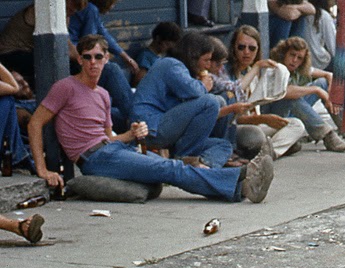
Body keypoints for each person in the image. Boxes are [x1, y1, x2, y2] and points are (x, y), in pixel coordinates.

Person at [30, 35, 274, 204]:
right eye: (87, 57)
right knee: (171, 168)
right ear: (79, 60)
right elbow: (35, 122)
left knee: (170, 166)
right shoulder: (66, 87)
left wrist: (132, 133)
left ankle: (237, 179)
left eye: (98, 56)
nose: (92, 63)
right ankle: (240, 185)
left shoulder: (103, 94)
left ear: (106, 58)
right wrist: (43, 169)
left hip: (113, 147)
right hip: (94, 157)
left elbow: (110, 136)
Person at [132, 31, 233, 168]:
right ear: (193, 56)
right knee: (211, 102)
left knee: (224, 145)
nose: (208, 66)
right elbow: (194, 91)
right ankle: (185, 158)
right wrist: (203, 85)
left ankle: (205, 164)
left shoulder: (181, 69)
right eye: (206, 60)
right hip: (151, 127)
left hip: (167, 126)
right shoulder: (171, 64)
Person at [226, 26, 306, 159]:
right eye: (241, 47)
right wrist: (264, 119)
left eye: (251, 48)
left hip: (257, 122)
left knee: (296, 124)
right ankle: (272, 148)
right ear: (234, 47)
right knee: (255, 135)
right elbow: (235, 117)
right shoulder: (228, 73)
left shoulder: (252, 71)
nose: (246, 52)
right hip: (238, 128)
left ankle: (268, 153)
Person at [265, 36, 345, 152]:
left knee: (322, 83)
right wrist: (317, 91)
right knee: (293, 96)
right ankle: (327, 135)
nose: (295, 60)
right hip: (274, 115)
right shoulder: (275, 68)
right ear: (283, 53)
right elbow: (284, 92)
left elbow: (328, 75)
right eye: (292, 55)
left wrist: (328, 91)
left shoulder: (298, 68)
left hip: (293, 113)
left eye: (299, 58)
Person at [68, 0, 138, 130]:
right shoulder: (90, 9)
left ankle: (132, 120)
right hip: (74, 63)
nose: (111, 8)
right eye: (111, 4)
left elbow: (102, 33)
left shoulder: (91, 11)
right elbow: (90, 43)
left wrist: (124, 56)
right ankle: (137, 119)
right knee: (111, 69)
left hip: (75, 60)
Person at [135, 21, 182, 85]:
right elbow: (139, 81)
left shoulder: (166, 55)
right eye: (167, 44)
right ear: (158, 39)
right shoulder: (145, 56)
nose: (168, 48)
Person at [305, 0, 337, 71]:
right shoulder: (324, 15)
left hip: (304, 61)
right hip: (320, 62)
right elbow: (333, 48)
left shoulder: (302, 13)